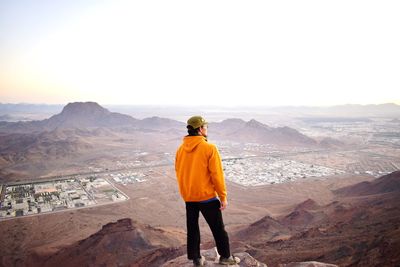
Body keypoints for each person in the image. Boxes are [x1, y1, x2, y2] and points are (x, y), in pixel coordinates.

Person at [175, 115, 240, 266]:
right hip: (207, 197)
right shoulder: (209, 148)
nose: (207, 129)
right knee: (218, 229)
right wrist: (223, 196)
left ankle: (196, 259)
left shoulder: (180, 150)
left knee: (193, 228)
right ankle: (225, 257)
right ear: (200, 129)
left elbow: (179, 172)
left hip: (189, 196)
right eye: (205, 127)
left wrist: (186, 193)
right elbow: (217, 174)